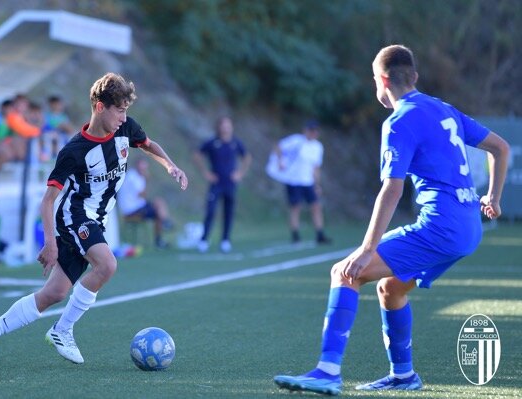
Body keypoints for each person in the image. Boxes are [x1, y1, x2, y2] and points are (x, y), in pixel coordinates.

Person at [273, 44, 510, 395]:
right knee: (391, 288)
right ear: (412, 76)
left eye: (373, 79)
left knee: (346, 271)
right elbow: (501, 148)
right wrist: (492, 196)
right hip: (468, 227)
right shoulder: (443, 108)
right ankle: (403, 375)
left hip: (440, 227)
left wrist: (366, 250)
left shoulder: (399, 120)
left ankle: (326, 371)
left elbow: (391, 191)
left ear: (382, 80)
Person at [0, 72, 188, 366]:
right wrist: (50, 243)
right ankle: (63, 330)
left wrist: (170, 166)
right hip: (76, 217)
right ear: (99, 107)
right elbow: (48, 200)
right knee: (107, 264)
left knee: (54, 293)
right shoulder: (74, 150)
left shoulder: (126, 129)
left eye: (125, 110)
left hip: (96, 220)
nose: (124, 117)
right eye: (119, 110)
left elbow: (148, 144)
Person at [194, 116, 251, 253]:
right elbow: (197, 155)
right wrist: (206, 173)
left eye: (228, 125)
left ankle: (225, 240)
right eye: (223, 125)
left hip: (230, 184)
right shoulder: (213, 142)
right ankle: (204, 240)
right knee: (211, 211)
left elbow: (247, 157)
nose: (225, 128)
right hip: (216, 183)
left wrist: (240, 174)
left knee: (229, 212)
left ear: (231, 127)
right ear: (218, 127)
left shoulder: (236, 143)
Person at [269, 120, 331, 244]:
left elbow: (315, 167)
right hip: (294, 180)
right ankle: (295, 235)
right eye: (310, 130)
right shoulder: (296, 141)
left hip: (308, 181)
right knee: (295, 207)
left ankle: (320, 234)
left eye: (315, 131)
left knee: (316, 206)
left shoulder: (318, 147)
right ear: (306, 131)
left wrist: (317, 184)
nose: (313, 133)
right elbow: (278, 146)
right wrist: (280, 161)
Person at [117, 157, 173, 248]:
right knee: (158, 207)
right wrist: (146, 180)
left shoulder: (136, 176)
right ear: (137, 165)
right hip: (131, 210)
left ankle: (163, 226)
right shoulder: (133, 176)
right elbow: (142, 195)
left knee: (158, 204)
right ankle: (162, 231)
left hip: (137, 206)